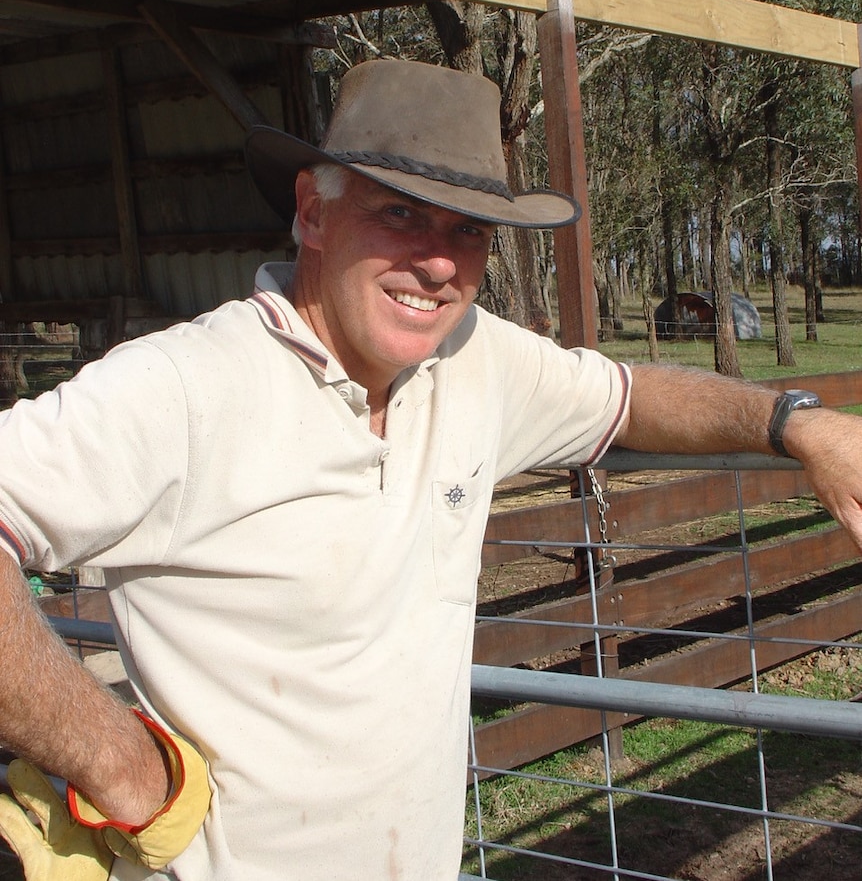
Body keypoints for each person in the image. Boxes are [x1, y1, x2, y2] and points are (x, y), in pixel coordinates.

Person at [0, 59, 860, 881]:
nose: (441, 261)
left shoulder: (475, 360)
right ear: (312, 210)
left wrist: (793, 422)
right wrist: (112, 759)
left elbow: (629, 396)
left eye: (468, 229)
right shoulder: (186, 386)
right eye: (401, 214)